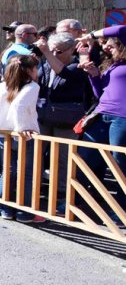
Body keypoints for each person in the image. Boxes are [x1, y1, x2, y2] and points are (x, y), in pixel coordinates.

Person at [0, 55, 44, 223]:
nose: (37, 71)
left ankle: (6, 209)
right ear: (29, 71)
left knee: (8, 171)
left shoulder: (0, 87)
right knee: (26, 173)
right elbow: (19, 106)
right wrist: (22, 128)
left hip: (3, 133)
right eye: (35, 68)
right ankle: (24, 213)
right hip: (23, 135)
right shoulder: (32, 87)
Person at [34, 32, 91, 204]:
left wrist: (48, 54)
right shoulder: (46, 62)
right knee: (36, 152)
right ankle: (34, 187)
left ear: (72, 49)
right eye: (52, 50)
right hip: (44, 115)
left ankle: (63, 194)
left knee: (63, 157)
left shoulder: (78, 65)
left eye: (59, 52)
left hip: (66, 119)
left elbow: (64, 73)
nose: (54, 54)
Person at [77, 26, 126, 220]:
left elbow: (122, 28)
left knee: (120, 163)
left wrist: (91, 36)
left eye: (111, 45)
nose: (106, 48)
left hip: (122, 119)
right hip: (100, 115)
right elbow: (100, 94)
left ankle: (122, 209)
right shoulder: (112, 65)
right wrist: (94, 75)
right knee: (83, 158)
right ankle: (74, 201)